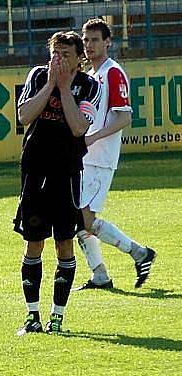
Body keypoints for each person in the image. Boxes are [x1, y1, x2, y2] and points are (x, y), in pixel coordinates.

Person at [14, 31, 101, 336]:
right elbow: (24, 115)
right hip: (36, 171)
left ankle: (58, 318)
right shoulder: (38, 76)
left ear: (80, 59)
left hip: (67, 172)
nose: (59, 59)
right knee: (34, 242)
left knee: (65, 242)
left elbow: (79, 128)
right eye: (55, 53)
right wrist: (52, 83)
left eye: (66, 55)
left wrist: (64, 89)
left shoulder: (90, 86)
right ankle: (32, 316)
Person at [75, 18, 156, 290]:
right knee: (75, 217)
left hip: (99, 159)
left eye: (95, 39)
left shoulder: (112, 72)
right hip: (85, 157)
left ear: (108, 42)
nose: (89, 45)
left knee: (82, 218)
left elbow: (124, 118)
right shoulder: (91, 75)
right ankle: (100, 275)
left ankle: (139, 253)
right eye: (86, 40)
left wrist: (92, 138)